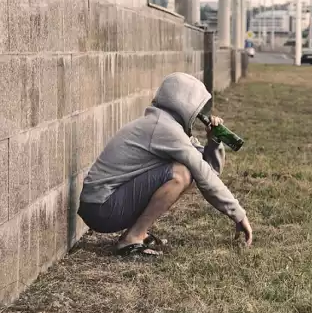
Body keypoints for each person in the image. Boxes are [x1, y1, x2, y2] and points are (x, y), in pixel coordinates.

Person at [77, 72, 253, 256]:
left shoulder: (167, 125)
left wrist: (214, 142)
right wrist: (238, 215)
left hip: (103, 203)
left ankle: (138, 233)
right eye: (198, 107)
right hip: (101, 207)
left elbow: (208, 171)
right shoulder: (165, 129)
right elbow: (204, 174)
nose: (199, 113)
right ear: (186, 105)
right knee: (181, 174)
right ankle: (132, 239)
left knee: (187, 171)